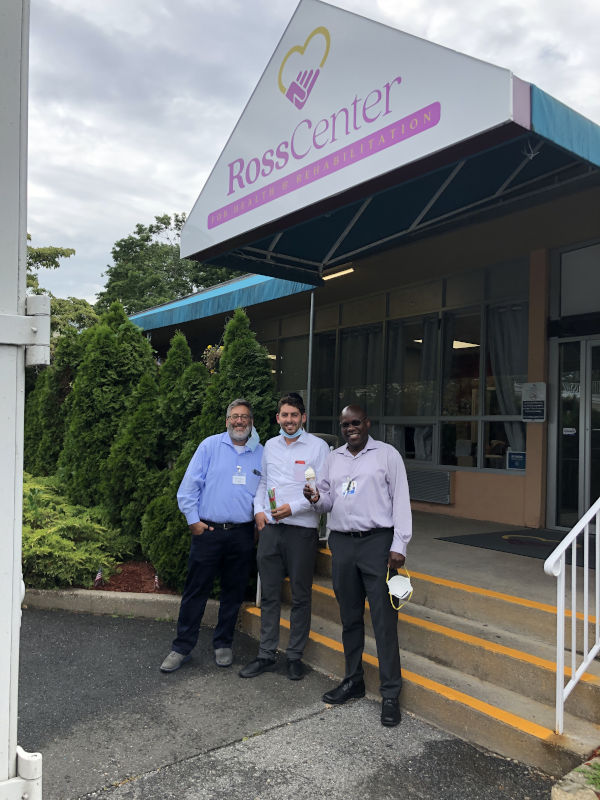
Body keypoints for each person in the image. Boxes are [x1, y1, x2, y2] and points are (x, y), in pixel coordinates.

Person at [304, 404, 411, 727]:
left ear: (367, 423)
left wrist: (399, 544)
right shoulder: (333, 458)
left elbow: (401, 499)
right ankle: (353, 680)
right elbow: (327, 501)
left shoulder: (387, 455)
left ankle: (391, 692)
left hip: (377, 544)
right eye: (344, 424)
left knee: (383, 620)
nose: (350, 428)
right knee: (350, 617)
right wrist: (313, 498)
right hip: (343, 543)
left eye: (355, 423)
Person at [160, 399, 263, 673]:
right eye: (234, 417)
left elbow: (264, 494)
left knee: (233, 592)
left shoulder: (261, 453)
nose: (239, 421)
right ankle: (182, 646)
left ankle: (223, 643)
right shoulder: (210, 446)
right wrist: (193, 521)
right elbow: (188, 486)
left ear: (251, 422)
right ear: (227, 420)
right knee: (196, 591)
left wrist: (256, 528)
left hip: (241, 535)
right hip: (208, 532)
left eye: (244, 417)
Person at [239, 393, 330, 681]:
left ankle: (294, 656)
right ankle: (266, 654)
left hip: (302, 531)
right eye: (284, 415)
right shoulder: (270, 447)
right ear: (277, 418)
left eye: (294, 415)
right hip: (271, 530)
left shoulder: (319, 447)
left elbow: (323, 491)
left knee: (301, 596)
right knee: (269, 594)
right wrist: (258, 512)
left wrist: (295, 507)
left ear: (303, 417)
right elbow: (263, 482)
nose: (289, 420)